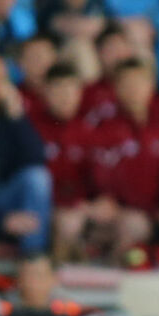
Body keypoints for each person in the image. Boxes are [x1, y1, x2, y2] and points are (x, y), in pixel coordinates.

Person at [89, 58, 159, 259]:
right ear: (116, 88)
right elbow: (104, 183)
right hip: (125, 214)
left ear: (151, 85)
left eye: (139, 82)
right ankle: (118, 277)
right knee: (134, 224)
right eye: (127, 83)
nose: (134, 89)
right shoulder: (105, 129)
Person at [30, 63, 98, 261]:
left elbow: (100, 180)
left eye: (71, 88)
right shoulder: (31, 128)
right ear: (45, 91)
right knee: (67, 224)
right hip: (44, 209)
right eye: (58, 88)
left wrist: (92, 205)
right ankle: (53, 278)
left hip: (82, 209)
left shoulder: (90, 130)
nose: (65, 95)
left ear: (80, 93)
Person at [0, 59, 51, 257]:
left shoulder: (9, 117)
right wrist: (2, 221)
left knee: (37, 178)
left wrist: (17, 115)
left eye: (2, 80)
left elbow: (36, 158)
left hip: (6, 195)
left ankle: (33, 259)